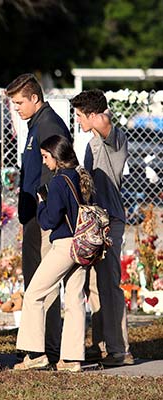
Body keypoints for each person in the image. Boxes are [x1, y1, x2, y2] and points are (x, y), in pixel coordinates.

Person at [6, 73, 72, 365]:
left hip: (44, 217)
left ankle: (44, 348)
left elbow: (54, 174)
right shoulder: (35, 124)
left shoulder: (48, 125)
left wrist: (46, 216)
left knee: (41, 285)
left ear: (35, 98)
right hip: (33, 215)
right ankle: (43, 344)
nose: (17, 108)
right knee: (34, 280)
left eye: (20, 102)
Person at [14, 135, 93, 372]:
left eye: (46, 157)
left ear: (56, 157)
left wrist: (41, 202)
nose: (44, 162)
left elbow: (49, 220)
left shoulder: (58, 182)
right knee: (75, 300)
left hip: (65, 245)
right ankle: (72, 357)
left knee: (34, 293)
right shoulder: (80, 177)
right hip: (83, 244)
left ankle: (35, 353)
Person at [71, 89, 132, 367]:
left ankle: (120, 349)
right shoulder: (90, 143)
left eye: (81, 115)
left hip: (111, 220)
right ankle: (100, 344)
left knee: (110, 284)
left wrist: (99, 114)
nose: (78, 120)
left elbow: (105, 124)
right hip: (96, 221)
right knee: (95, 286)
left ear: (94, 115)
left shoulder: (113, 139)